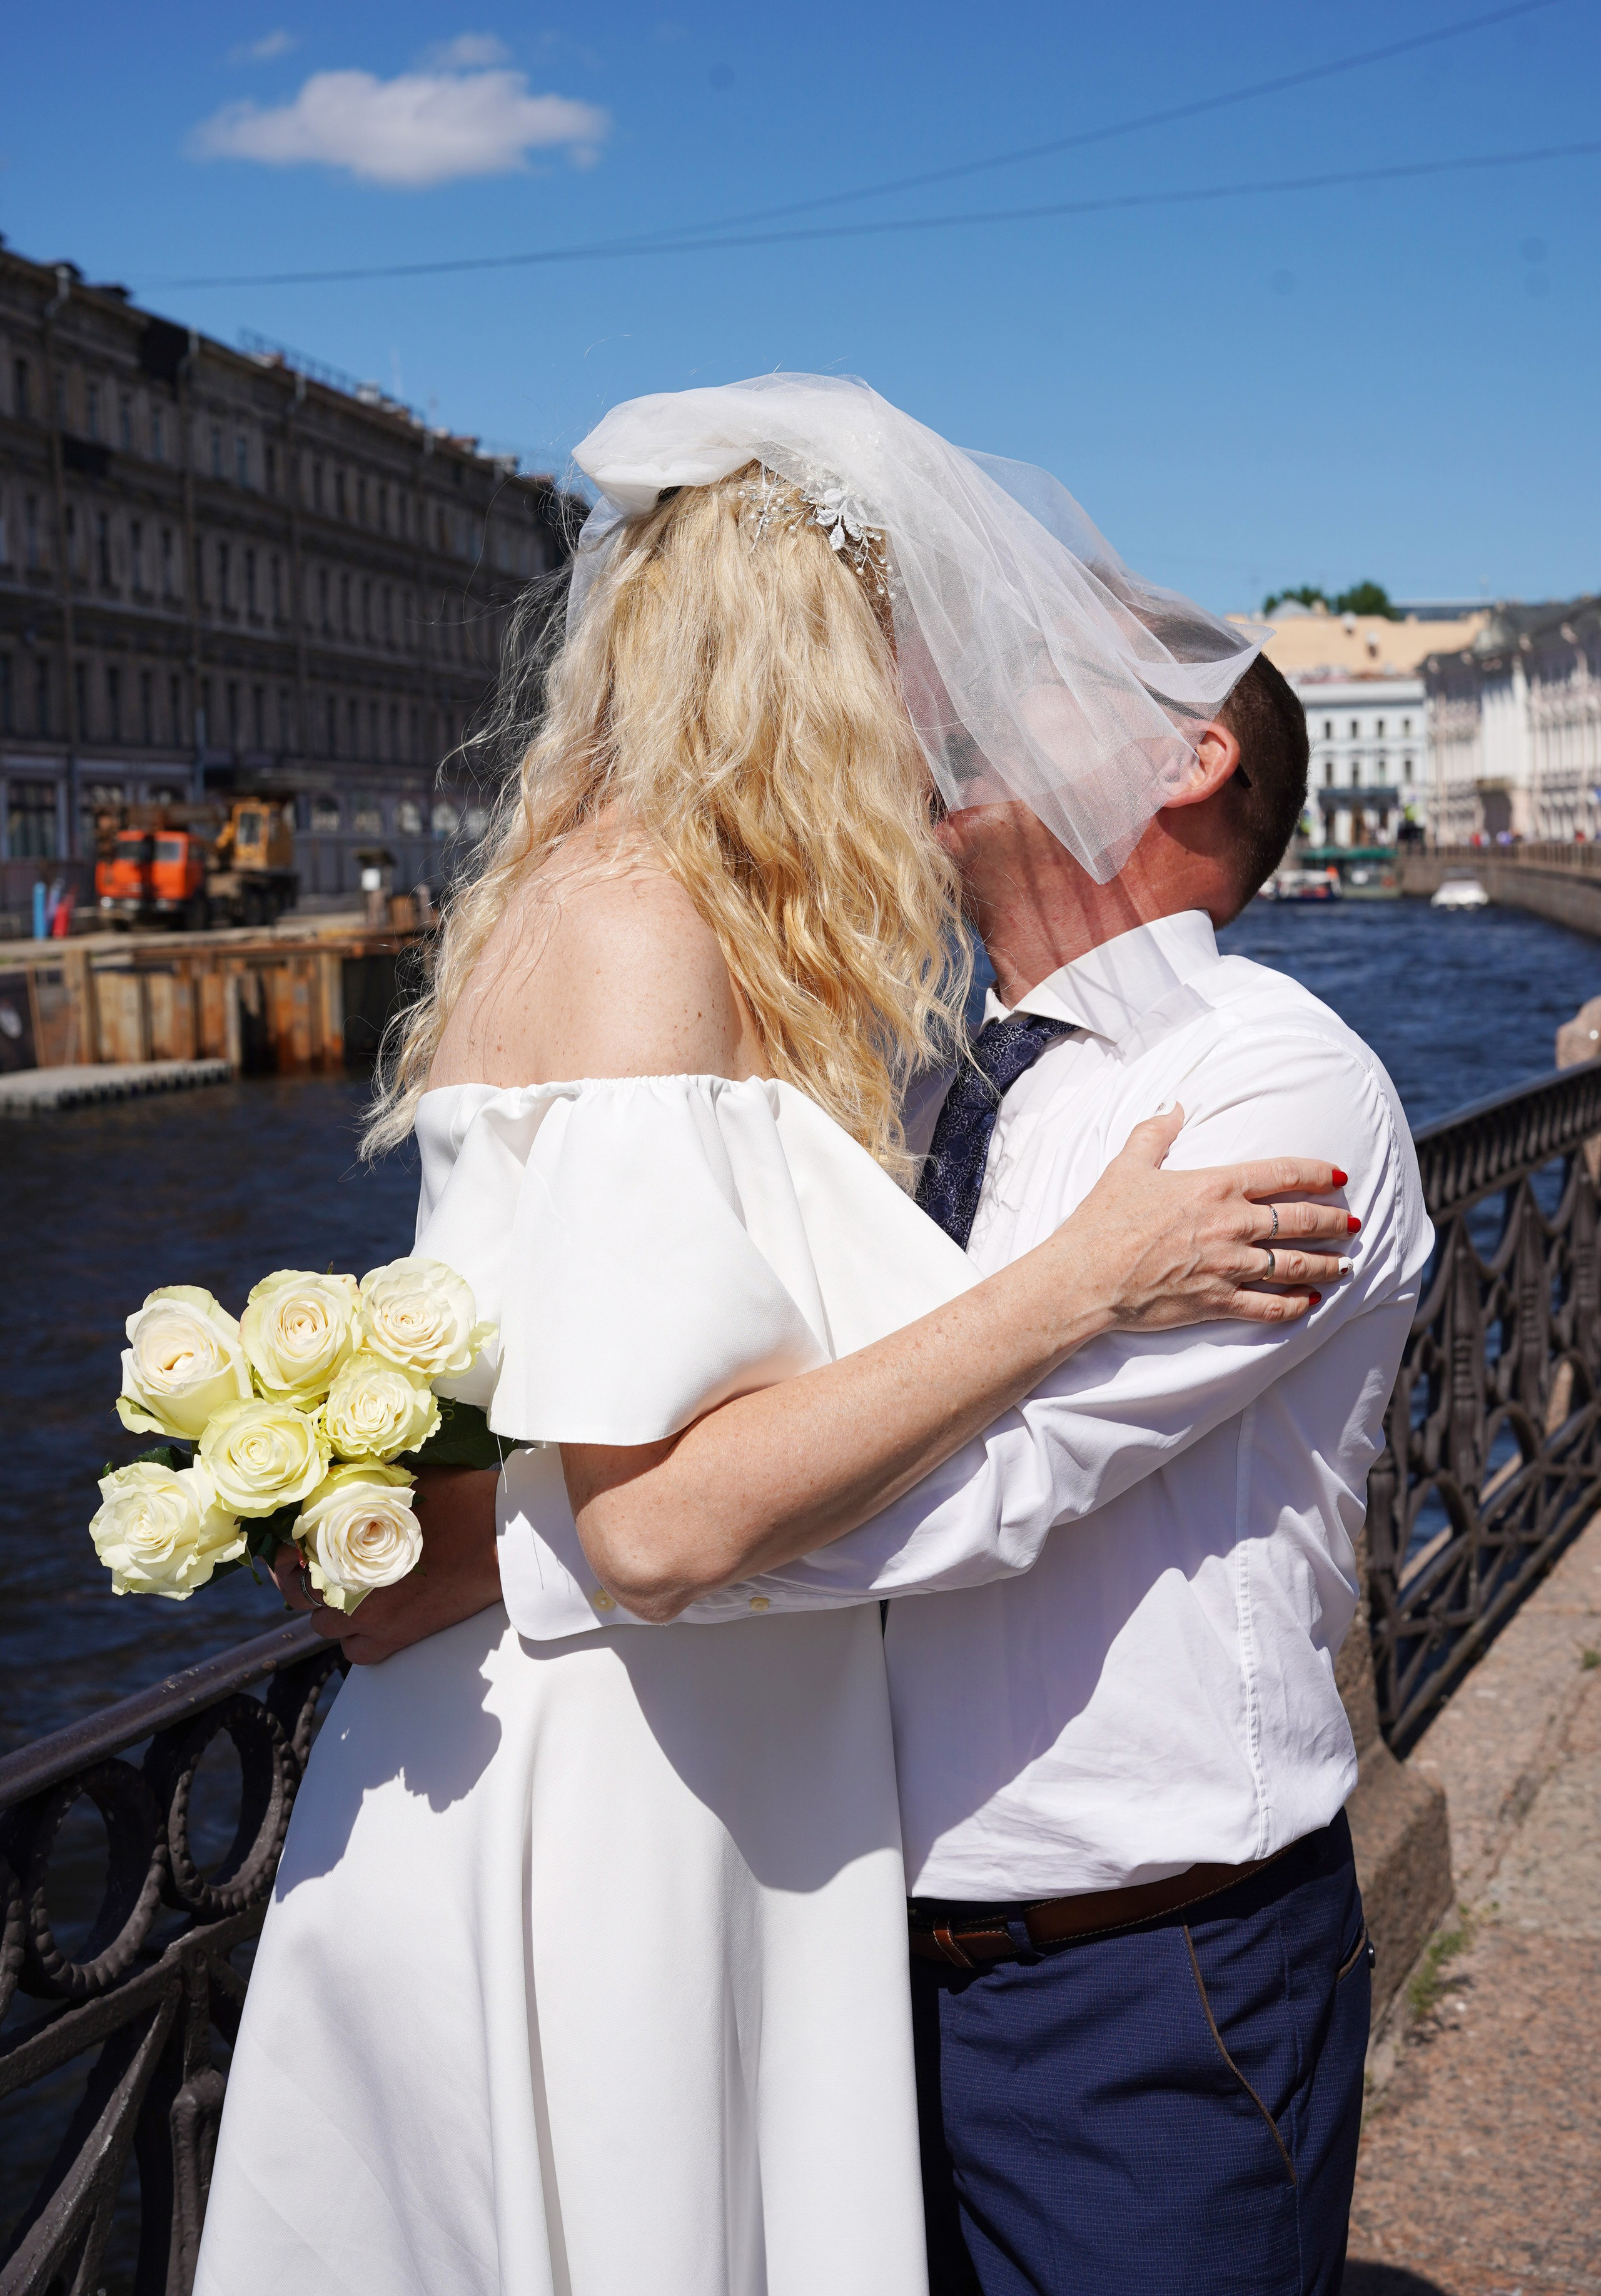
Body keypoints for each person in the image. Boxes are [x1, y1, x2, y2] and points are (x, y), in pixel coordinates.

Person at [196, 377, 1355, 2296]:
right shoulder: (640, 923)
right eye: (920, 653)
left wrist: (461, 1526)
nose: (950, 706)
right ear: (815, 659)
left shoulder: (636, 913)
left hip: (693, 1757)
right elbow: (654, 1529)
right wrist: (1087, 1278)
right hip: (615, 1793)